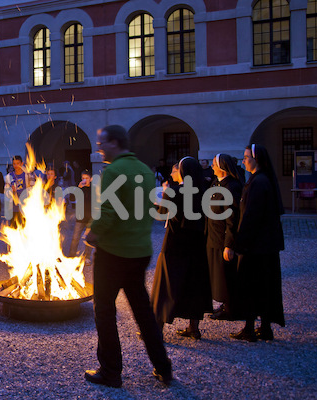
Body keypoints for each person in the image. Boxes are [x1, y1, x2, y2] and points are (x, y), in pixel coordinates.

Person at [84, 125, 172, 388]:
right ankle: (163, 367)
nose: (98, 149)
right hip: (139, 251)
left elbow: (109, 210)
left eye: (101, 143)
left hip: (113, 254)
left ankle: (111, 372)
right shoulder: (145, 170)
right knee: (144, 312)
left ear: (115, 143)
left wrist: (92, 233)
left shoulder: (114, 171)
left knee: (105, 312)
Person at [151, 156, 212, 340]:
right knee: (194, 283)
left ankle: (157, 330)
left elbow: (161, 215)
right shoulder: (204, 191)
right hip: (197, 243)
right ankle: (193, 328)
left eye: (174, 170)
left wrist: (161, 197)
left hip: (176, 243)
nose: (171, 173)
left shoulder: (174, 191)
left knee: (167, 284)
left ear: (183, 172)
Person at [230, 144, 285, 342]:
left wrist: (239, 244)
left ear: (256, 159)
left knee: (251, 286)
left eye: (246, 157)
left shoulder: (258, 182)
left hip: (255, 247)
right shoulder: (260, 180)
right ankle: (265, 327)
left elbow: (250, 217)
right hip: (264, 246)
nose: (243, 161)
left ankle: (250, 329)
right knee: (264, 287)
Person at [206, 154, 243, 321]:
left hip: (222, 238)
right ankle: (226, 303)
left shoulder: (232, 187)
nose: (212, 167)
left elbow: (232, 218)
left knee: (227, 275)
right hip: (213, 237)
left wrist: (229, 244)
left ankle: (231, 308)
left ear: (222, 167)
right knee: (219, 274)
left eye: (214, 164)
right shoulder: (216, 183)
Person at [68, 170, 93, 264]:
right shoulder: (79, 188)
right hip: (80, 217)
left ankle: (87, 257)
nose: (85, 180)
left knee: (89, 239)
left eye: (87, 178)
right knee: (75, 237)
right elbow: (71, 198)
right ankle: (71, 256)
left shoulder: (94, 189)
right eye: (83, 178)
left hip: (90, 218)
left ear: (91, 179)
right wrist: (78, 188)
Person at [4, 155, 33, 228]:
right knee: (14, 227)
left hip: (25, 205)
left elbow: (33, 189)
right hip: (13, 207)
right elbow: (6, 191)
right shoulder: (9, 176)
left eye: (18, 163)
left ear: (22, 163)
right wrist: (11, 191)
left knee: (25, 227)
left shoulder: (28, 175)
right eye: (14, 163)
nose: (16, 165)